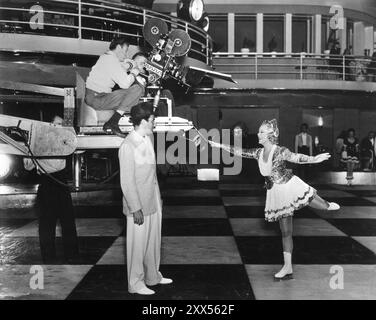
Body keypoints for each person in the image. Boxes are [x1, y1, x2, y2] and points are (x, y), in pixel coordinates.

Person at [209, 119, 340, 281]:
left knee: (321, 206)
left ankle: (326, 205)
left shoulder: (280, 151)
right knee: (286, 232)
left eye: (262, 132)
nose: (258, 134)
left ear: (270, 135)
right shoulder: (258, 152)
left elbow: (296, 157)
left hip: (289, 186)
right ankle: (287, 267)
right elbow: (239, 151)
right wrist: (218, 145)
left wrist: (314, 159)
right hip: (275, 193)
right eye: (259, 131)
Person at [119, 102, 172, 295]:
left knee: (152, 243)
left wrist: (158, 200)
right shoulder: (128, 145)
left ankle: (153, 276)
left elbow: (152, 175)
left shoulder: (147, 139)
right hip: (138, 206)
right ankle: (135, 283)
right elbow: (127, 181)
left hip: (153, 202)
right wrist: (135, 208)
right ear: (142, 121)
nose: (154, 123)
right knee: (137, 247)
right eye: (152, 119)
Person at [24, 115, 79, 263]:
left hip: (61, 183)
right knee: (47, 224)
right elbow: (27, 165)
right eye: (55, 125)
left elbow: (77, 147)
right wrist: (32, 148)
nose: (58, 128)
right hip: (46, 184)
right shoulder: (39, 141)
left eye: (61, 125)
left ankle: (72, 255)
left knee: (68, 221)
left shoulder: (64, 141)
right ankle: (48, 257)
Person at [85, 37, 145, 137]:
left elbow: (121, 67)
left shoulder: (106, 57)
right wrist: (134, 73)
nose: (126, 55)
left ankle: (114, 120)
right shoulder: (110, 60)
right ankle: (113, 122)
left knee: (133, 99)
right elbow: (125, 84)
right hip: (98, 98)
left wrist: (131, 64)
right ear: (118, 47)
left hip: (96, 96)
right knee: (137, 89)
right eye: (125, 51)